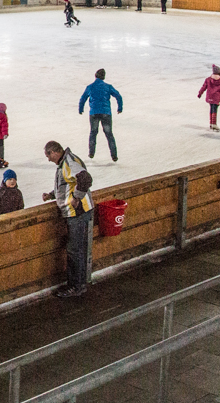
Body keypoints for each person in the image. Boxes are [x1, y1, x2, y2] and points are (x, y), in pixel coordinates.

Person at [42, 140, 94, 298]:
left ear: (54, 152)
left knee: (74, 250)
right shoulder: (66, 162)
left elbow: (85, 178)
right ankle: (80, 282)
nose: (48, 159)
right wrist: (52, 195)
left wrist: (76, 198)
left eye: (48, 156)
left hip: (77, 213)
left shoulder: (69, 162)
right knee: (78, 249)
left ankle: (76, 286)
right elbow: (67, 184)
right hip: (76, 212)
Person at [78, 68, 124, 161]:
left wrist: (81, 109)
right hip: (106, 113)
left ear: (95, 75)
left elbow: (83, 98)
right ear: (103, 77)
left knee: (93, 133)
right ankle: (114, 155)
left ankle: (91, 153)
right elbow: (118, 96)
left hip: (94, 113)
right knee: (109, 134)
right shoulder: (108, 87)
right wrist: (119, 108)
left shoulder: (90, 87)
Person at [197, 64, 220, 131]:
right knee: (214, 110)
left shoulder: (208, 79)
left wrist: (200, 93)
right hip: (216, 97)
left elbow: (203, 87)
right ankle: (214, 124)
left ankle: (211, 123)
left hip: (209, 96)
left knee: (211, 109)